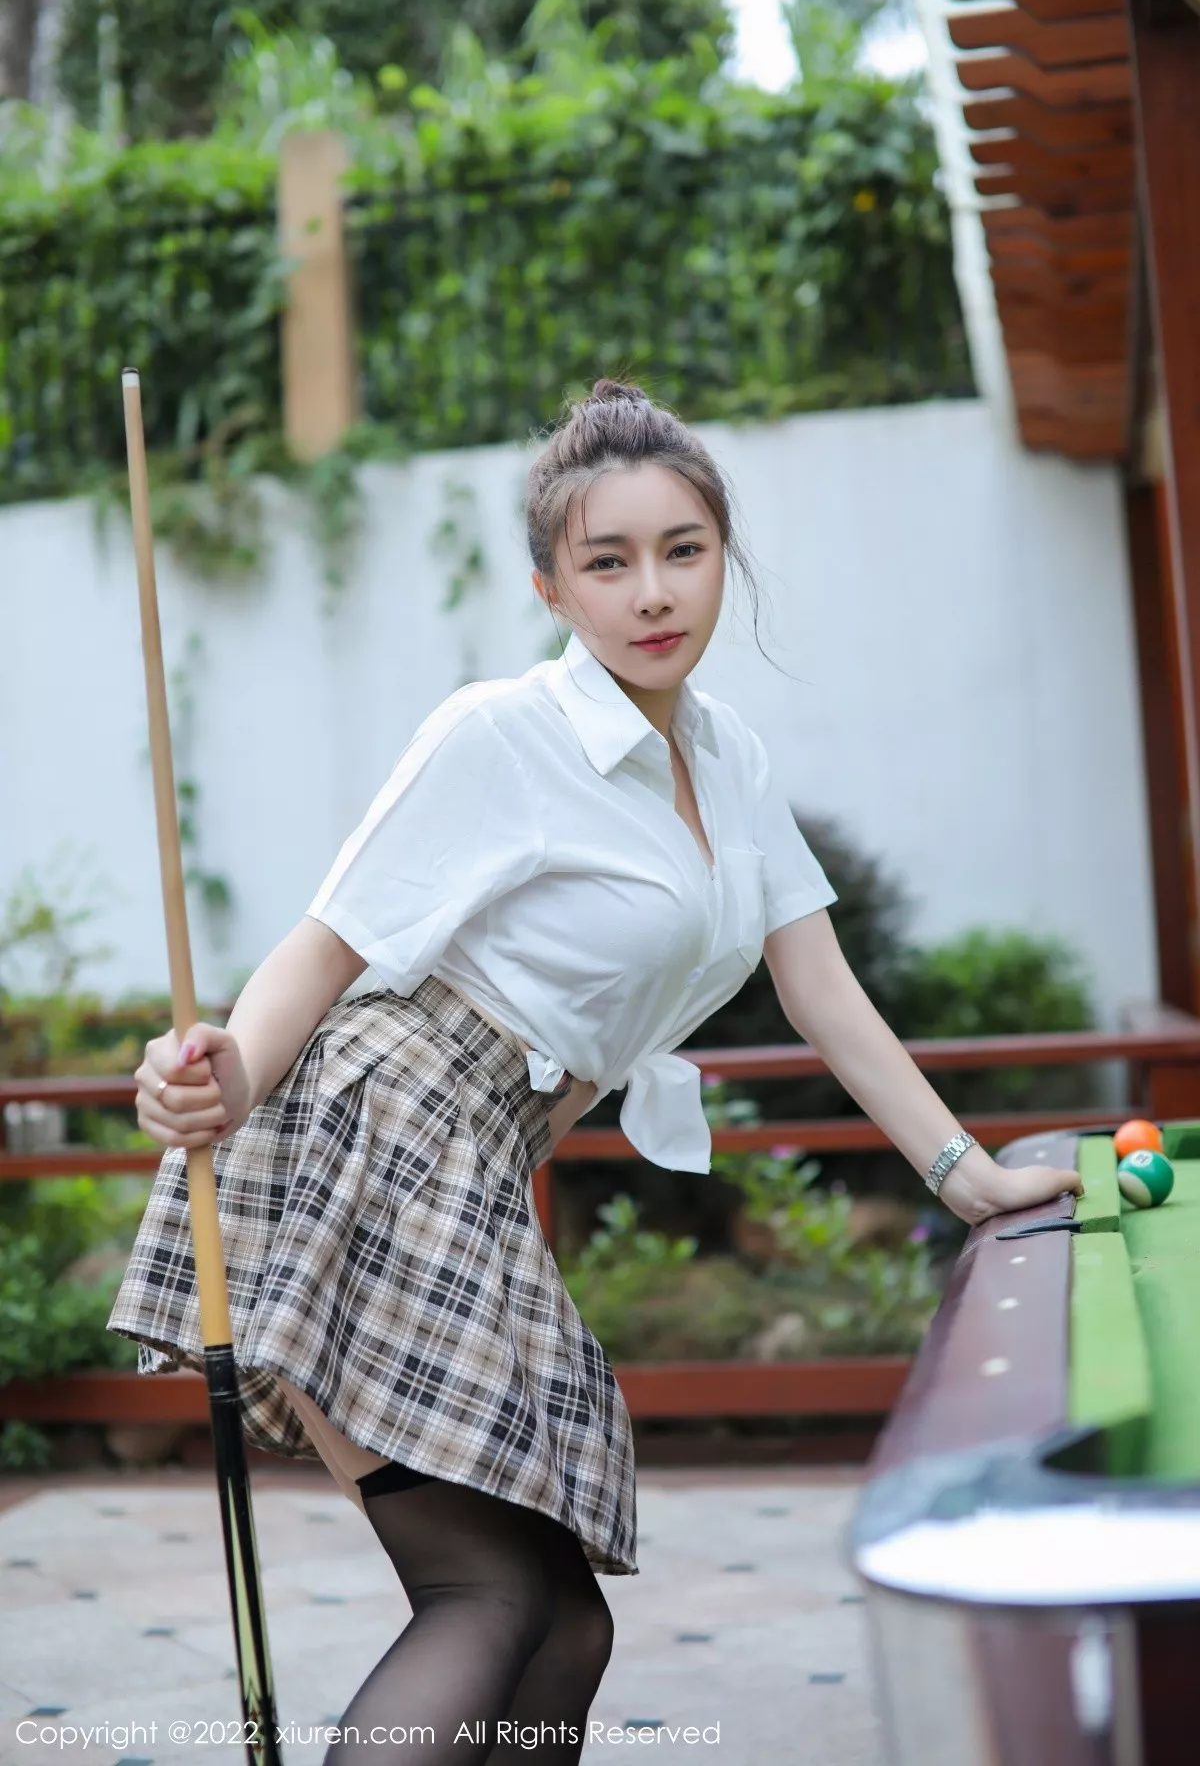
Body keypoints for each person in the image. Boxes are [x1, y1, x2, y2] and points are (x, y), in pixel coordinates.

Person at [107, 378, 1083, 1764]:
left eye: (683, 549)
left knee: (564, 1628)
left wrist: (963, 1174)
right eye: (607, 562)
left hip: (475, 1154)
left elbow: (820, 988)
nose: (652, 591)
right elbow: (321, 951)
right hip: (382, 1125)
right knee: (492, 1594)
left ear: (724, 556)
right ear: (551, 589)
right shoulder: (499, 733)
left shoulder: (729, 760)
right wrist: (224, 1077)